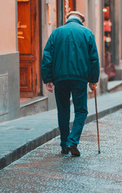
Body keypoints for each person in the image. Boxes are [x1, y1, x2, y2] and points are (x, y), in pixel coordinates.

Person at [41, 11, 100, 157]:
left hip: (60, 78)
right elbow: (94, 59)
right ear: (81, 20)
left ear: (67, 19)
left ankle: (64, 145)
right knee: (81, 111)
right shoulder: (87, 33)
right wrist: (93, 80)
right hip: (80, 78)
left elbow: (47, 56)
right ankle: (72, 141)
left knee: (63, 110)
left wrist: (47, 79)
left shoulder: (56, 33)